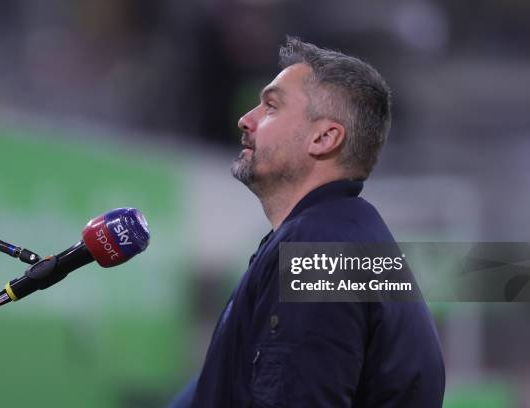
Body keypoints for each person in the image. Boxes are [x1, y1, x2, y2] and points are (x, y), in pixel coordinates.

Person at [169, 36, 445, 407]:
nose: (245, 119)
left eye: (270, 106)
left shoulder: (318, 251)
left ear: (324, 137)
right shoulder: (335, 237)